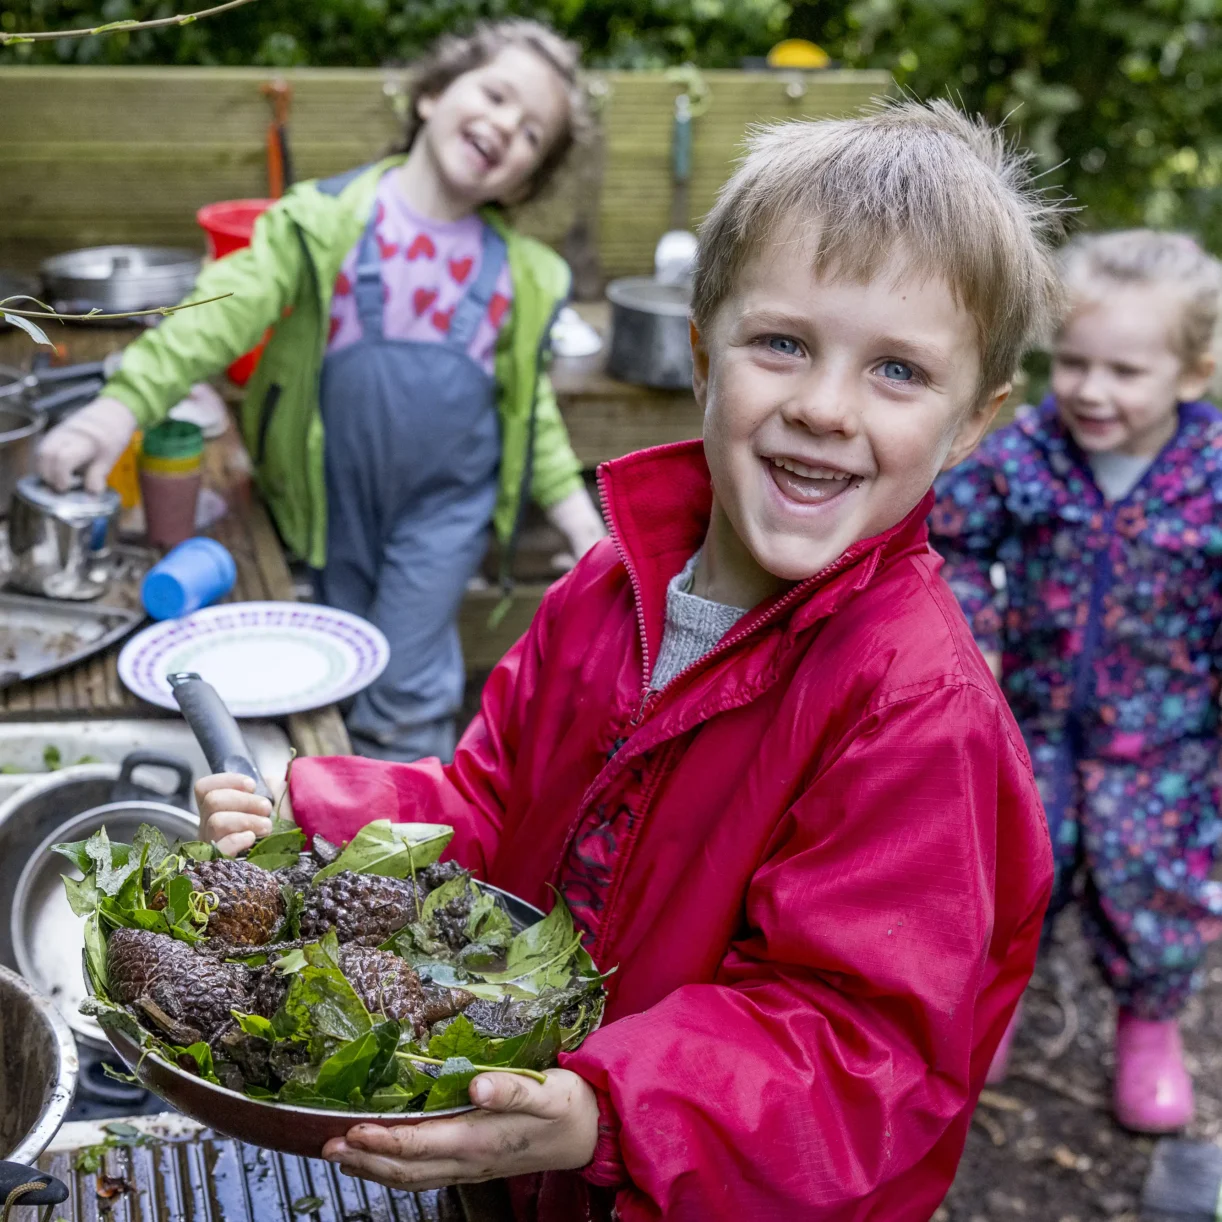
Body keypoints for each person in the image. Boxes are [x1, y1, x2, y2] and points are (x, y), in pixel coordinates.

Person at [195, 100, 1057, 1220]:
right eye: (782, 343)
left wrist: (611, 1109)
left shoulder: (914, 708)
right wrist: (320, 803)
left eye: (897, 371)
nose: (824, 406)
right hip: (531, 1146)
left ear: (971, 423)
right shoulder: (603, 591)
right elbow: (491, 807)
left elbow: (855, 1047)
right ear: (702, 356)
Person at [36, 19, 607, 763]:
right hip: (332, 496)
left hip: (446, 513)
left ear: (527, 179)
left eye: (532, 133)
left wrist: (581, 529)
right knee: (336, 661)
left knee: (404, 684)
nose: (505, 126)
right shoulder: (320, 221)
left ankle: (411, 831)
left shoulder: (523, 274)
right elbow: (217, 316)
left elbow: (532, 417)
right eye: (496, 95)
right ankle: (334, 808)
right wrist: (119, 408)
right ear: (431, 94)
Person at [930, 229, 1222, 1133]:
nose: (1092, 391)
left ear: (1191, 373)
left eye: (1126, 372)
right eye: (1076, 363)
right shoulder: (1026, 455)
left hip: (1166, 743)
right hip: (1032, 723)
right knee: (1014, 872)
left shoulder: (1211, 477)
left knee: (1157, 889)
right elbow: (956, 535)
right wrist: (974, 631)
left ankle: (1147, 1026)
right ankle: (999, 1000)